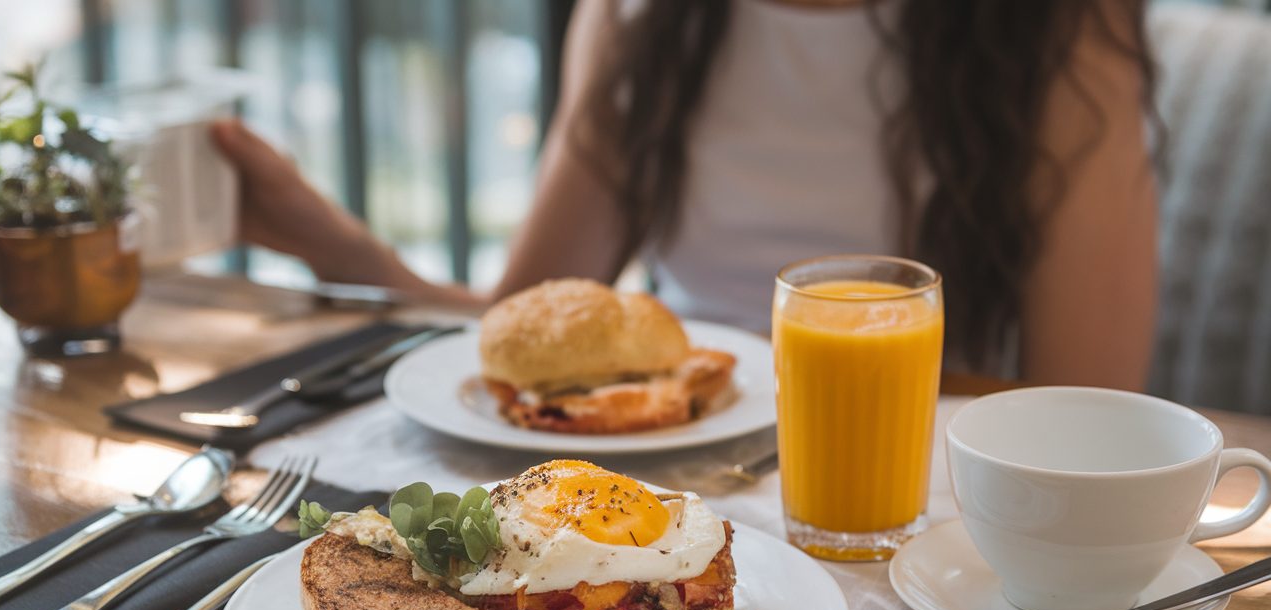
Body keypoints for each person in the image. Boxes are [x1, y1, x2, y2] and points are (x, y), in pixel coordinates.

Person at [212, 0, 1158, 389]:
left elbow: (1086, 413)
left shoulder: (1061, 31)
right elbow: (528, 347)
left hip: (910, 500)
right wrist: (348, 260)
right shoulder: (641, 17)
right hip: (659, 475)